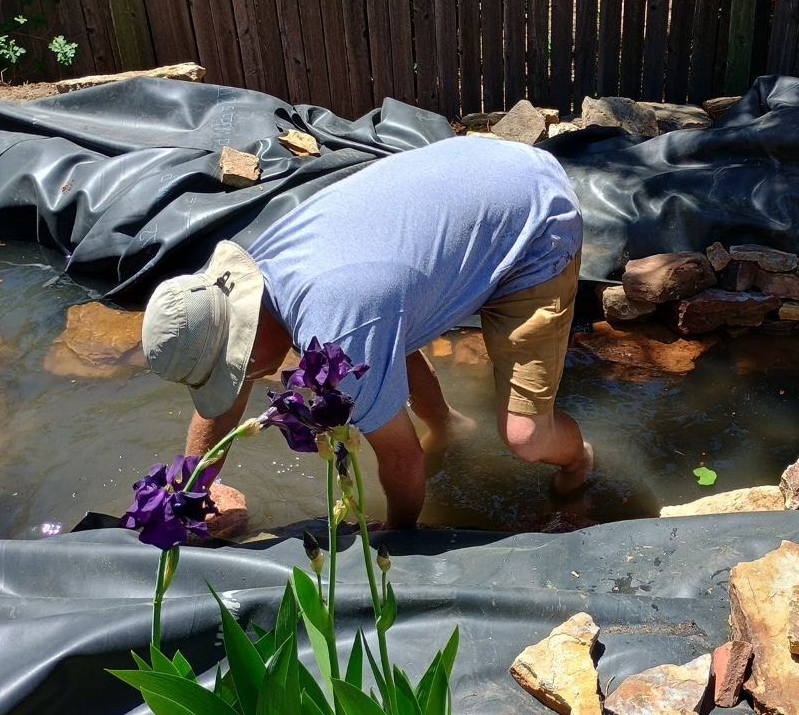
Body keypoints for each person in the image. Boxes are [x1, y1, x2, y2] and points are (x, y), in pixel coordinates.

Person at [139, 137, 594, 529]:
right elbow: (363, 332)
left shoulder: (337, 326)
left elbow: (404, 459)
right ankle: (452, 425)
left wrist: (395, 534)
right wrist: (192, 492)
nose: (241, 385)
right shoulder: (250, 284)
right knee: (376, 338)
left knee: (524, 436)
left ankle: (580, 462)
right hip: (477, 169)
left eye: (235, 372)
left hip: (536, 219)